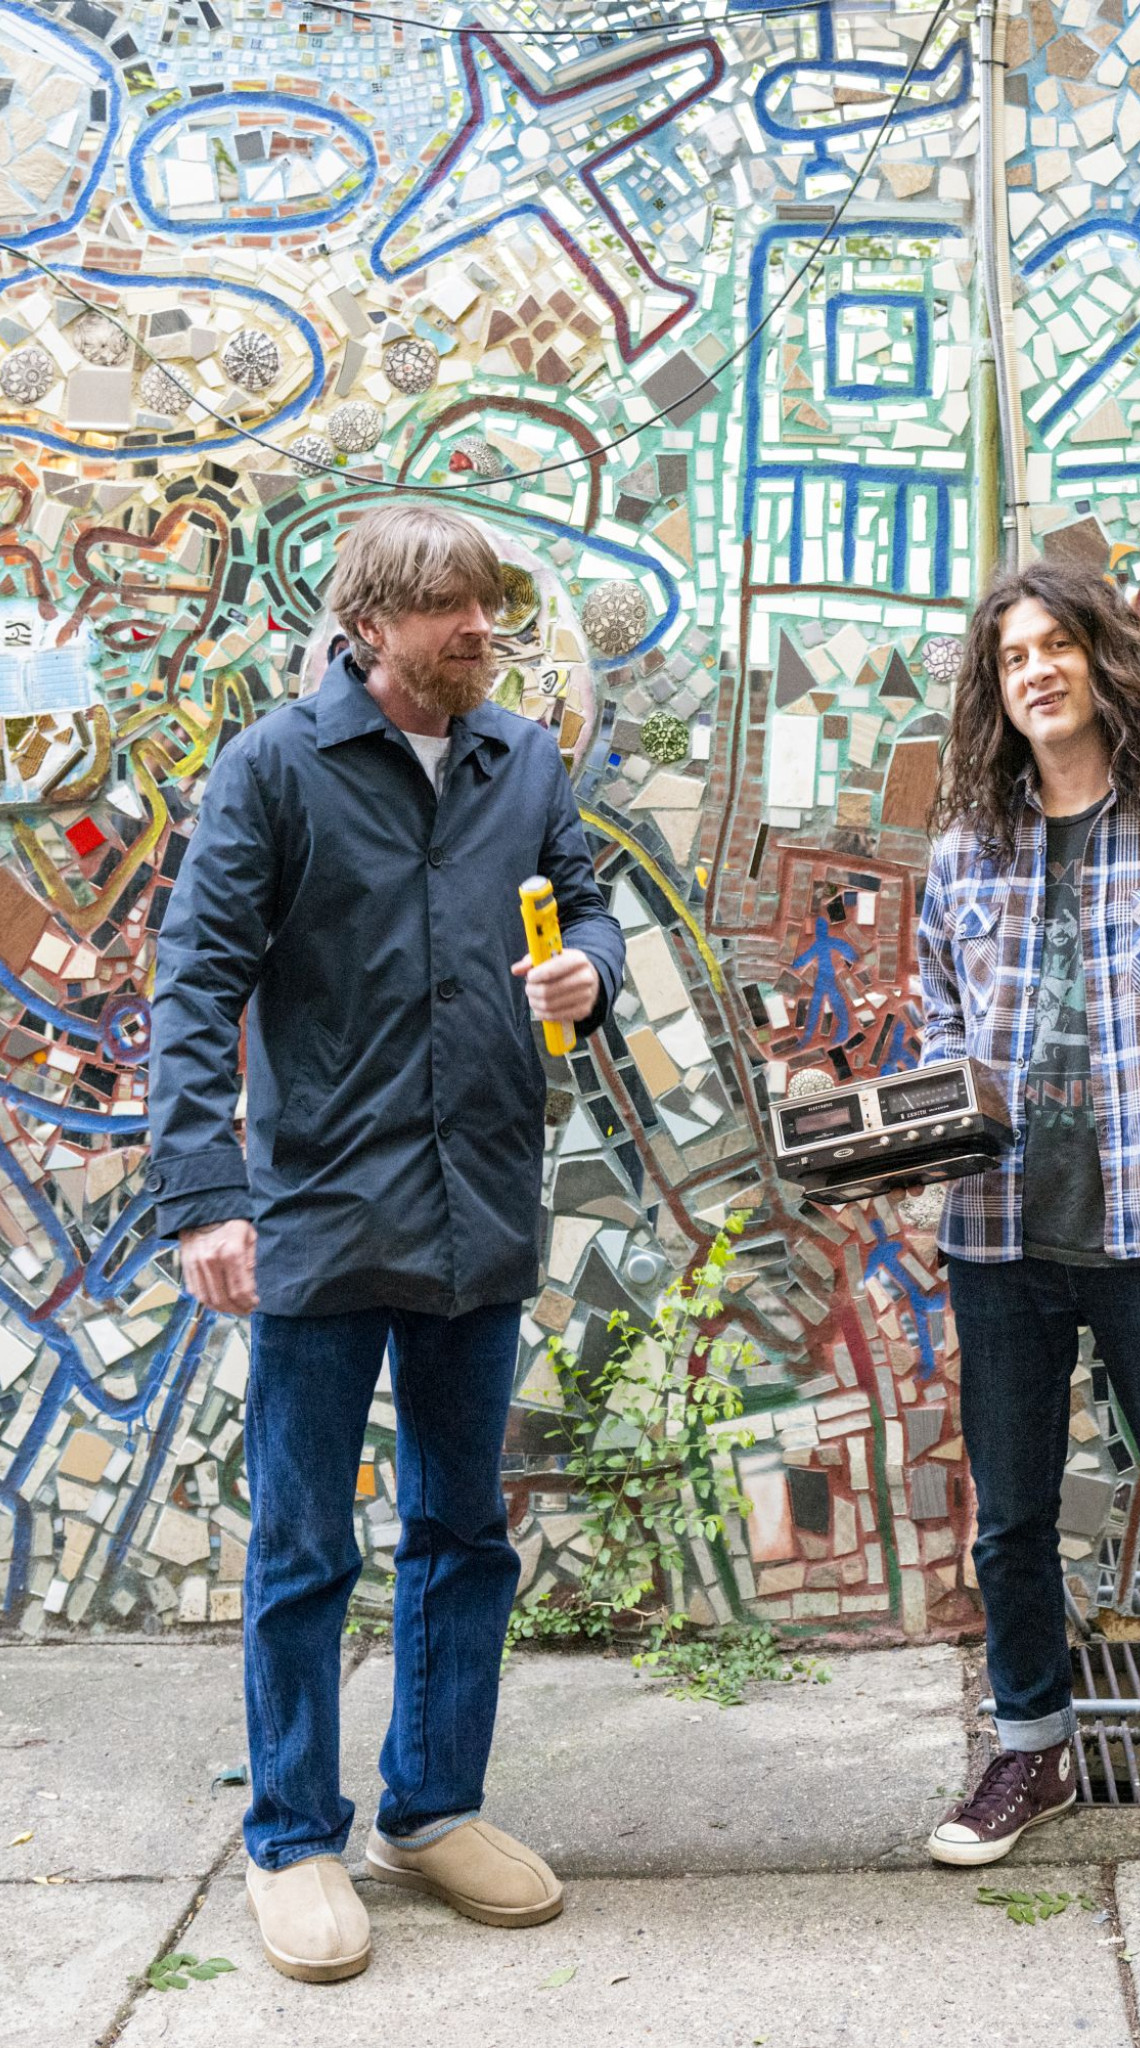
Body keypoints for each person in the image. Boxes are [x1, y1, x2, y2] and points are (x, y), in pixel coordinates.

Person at [147, 503, 624, 1982]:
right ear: (372, 628)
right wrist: (202, 1195)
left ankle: (433, 1807)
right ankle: (293, 1839)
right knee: (301, 1546)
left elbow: (593, 911)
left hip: (478, 1206)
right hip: (316, 1213)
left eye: (488, 605)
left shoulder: (523, 759)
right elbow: (194, 981)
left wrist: (587, 978)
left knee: (462, 1530)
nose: (480, 630)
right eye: (450, 611)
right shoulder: (277, 768)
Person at [915, 560, 1140, 1902]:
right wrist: (913, 1121)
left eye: (1057, 644)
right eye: (1012, 655)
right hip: (1001, 1234)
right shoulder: (963, 852)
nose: (1037, 671)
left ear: (1103, 658)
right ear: (995, 688)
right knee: (1010, 1520)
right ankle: (1031, 1749)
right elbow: (939, 1026)